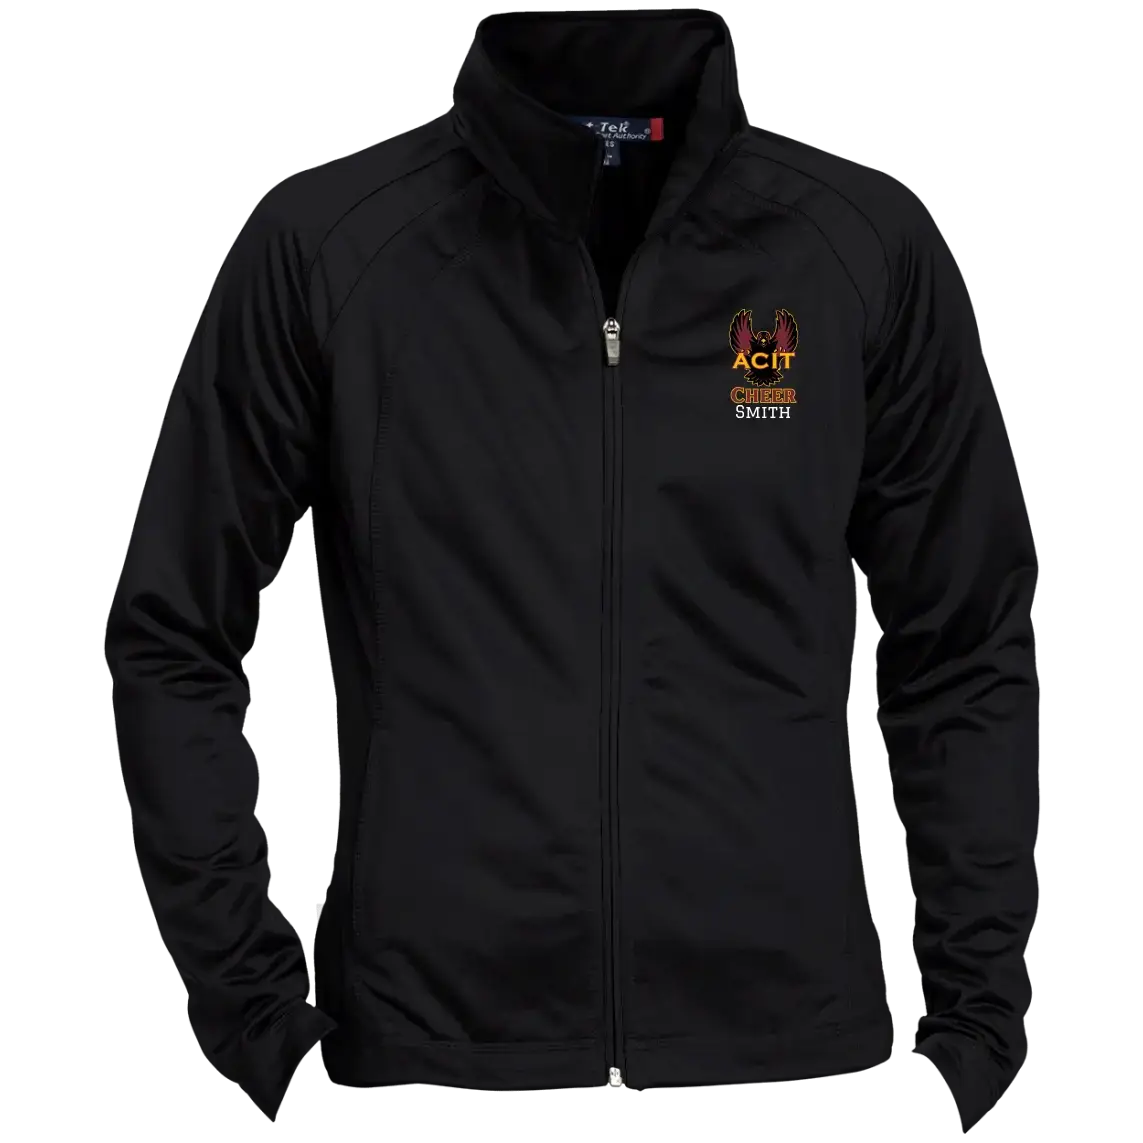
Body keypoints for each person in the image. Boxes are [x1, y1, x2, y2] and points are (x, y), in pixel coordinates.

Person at [102, 6, 1043, 1132]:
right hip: (429, 1057)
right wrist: (257, 1020)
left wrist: (974, 1037)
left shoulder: (856, 248)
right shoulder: (333, 246)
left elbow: (966, 643)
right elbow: (175, 633)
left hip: (792, 1055)